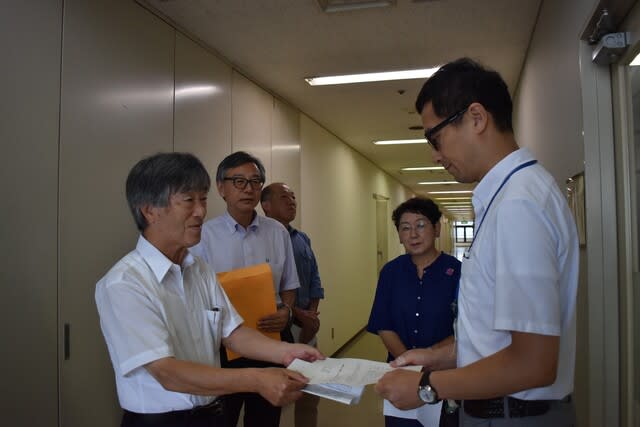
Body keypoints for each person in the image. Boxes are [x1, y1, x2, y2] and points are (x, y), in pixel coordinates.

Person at [375, 58, 579, 426]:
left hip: (510, 415)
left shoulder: (518, 205)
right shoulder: (510, 197)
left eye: (435, 138)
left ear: (476, 118)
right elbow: (496, 340)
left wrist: (428, 386)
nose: (435, 156)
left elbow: (533, 363)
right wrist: (437, 358)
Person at [95, 152, 323, 427]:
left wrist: (286, 353)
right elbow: (167, 372)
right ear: (149, 210)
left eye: (202, 199)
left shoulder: (198, 269)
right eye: (188, 201)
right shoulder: (125, 283)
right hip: (161, 421)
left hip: (210, 414)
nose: (201, 211)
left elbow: (233, 333)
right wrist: (256, 379)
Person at [190, 151, 300, 427]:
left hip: (269, 340)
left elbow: (288, 285)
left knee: (265, 419)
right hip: (222, 347)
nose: (248, 189)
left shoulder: (277, 232)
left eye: (255, 181)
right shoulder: (202, 236)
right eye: (238, 181)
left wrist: (286, 311)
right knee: (221, 418)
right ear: (221, 188)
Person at [367, 197, 460, 427]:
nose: (413, 234)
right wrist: (408, 364)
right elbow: (383, 324)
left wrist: (430, 358)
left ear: (437, 229)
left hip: (445, 373)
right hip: (400, 374)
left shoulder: (458, 272)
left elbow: (464, 327)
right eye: (405, 228)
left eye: (420, 225)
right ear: (399, 235)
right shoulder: (390, 272)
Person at [261, 182, 325, 427]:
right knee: (277, 395)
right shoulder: (262, 239)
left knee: (310, 392)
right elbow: (269, 289)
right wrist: (297, 315)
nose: (292, 202)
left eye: (293, 197)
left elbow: (314, 278)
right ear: (266, 206)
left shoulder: (302, 238)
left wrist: (311, 317)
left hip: (307, 325)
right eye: (284, 197)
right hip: (278, 328)